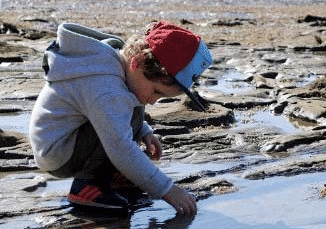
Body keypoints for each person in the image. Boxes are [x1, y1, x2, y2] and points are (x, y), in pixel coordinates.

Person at [29, 21, 213, 215]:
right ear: (138, 62)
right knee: (124, 124)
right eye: (156, 91)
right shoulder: (105, 87)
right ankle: (85, 187)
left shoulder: (117, 68)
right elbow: (120, 147)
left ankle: (112, 178)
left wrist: (143, 130)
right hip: (57, 152)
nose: (153, 101)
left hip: (71, 140)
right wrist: (168, 190)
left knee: (133, 103)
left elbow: (115, 116)